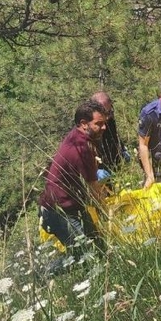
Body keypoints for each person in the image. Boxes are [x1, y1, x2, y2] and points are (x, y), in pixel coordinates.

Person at [38, 99, 110, 256]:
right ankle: (46, 275)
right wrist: (107, 213)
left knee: (99, 249)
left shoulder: (77, 137)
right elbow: (93, 189)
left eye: (104, 122)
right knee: (85, 256)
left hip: (72, 206)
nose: (104, 127)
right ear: (84, 123)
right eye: (98, 123)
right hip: (57, 211)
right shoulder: (81, 147)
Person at [91, 91, 131, 179]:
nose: (108, 116)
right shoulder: (88, 126)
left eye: (109, 111)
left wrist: (122, 150)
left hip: (113, 168)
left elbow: (114, 137)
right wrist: (95, 171)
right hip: (95, 174)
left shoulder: (110, 119)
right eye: (105, 112)